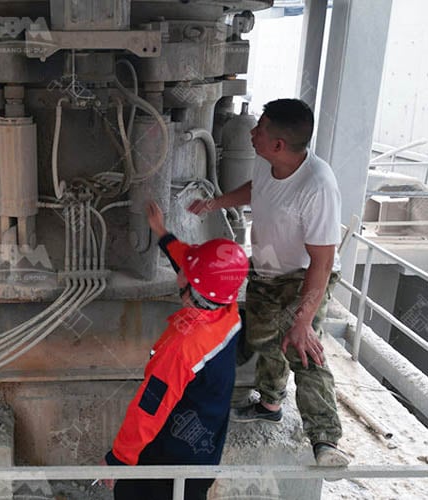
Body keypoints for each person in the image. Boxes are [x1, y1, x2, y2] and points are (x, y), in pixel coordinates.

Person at [188, 98, 350, 466]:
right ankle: (270, 403)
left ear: (278, 144)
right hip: (267, 270)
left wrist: (304, 319)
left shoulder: (318, 186)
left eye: (259, 130)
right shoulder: (268, 162)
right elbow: (256, 189)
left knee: (302, 348)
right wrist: (218, 203)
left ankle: (326, 440)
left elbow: (322, 262)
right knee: (263, 336)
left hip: (303, 276)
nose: (252, 133)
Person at [103, 200, 249, 499]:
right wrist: (161, 232)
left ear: (194, 289)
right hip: (204, 455)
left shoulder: (184, 347)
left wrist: (119, 459)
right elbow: (189, 264)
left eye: (186, 274)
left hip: (168, 465)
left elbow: (150, 408)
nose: (179, 273)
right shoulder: (227, 308)